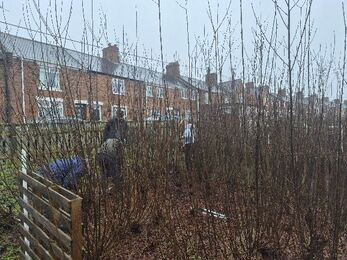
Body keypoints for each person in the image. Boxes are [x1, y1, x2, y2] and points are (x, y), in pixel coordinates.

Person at [98, 109, 128, 187]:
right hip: (110, 152)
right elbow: (125, 135)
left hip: (101, 153)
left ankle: (105, 186)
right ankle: (115, 187)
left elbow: (105, 134)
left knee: (105, 171)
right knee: (115, 170)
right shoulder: (116, 122)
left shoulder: (111, 122)